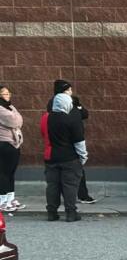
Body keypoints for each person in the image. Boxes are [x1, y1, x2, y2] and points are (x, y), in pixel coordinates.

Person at [42, 92, 86, 222]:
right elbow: (79, 141)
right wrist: (83, 157)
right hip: (69, 157)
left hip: (51, 157)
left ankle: (51, 212)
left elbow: (44, 134)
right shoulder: (72, 119)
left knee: (52, 185)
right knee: (70, 185)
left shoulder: (46, 118)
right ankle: (71, 213)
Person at [51, 80, 96, 204]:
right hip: (67, 143)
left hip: (63, 144)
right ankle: (72, 200)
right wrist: (83, 155)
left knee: (71, 173)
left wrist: (79, 105)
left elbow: (85, 114)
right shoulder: (57, 106)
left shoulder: (73, 103)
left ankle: (79, 196)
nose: (70, 92)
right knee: (73, 172)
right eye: (68, 90)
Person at [0, 84, 24, 212]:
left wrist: (17, 119)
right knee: (3, 173)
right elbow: (15, 122)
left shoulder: (9, 107)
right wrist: (16, 119)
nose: (7, 95)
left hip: (14, 143)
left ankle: (10, 199)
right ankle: (2, 201)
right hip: (4, 143)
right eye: (4, 94)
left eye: (8, 93)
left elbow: (20, 119)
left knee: (11, 173)